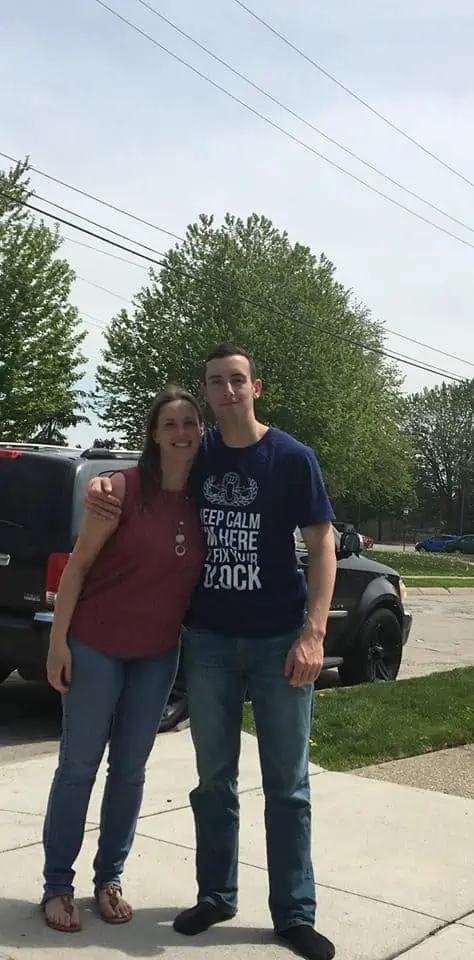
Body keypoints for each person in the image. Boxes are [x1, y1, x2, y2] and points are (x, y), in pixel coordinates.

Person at [86, 345, 337, 960]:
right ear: (206, 393)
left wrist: (314, 633)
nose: (226, 391)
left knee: (288, 785)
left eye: (237, 381)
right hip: (210, 643)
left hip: (281, 641)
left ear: (257, 387)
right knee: (213, 781)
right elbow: (145, 476)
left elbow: (324, 544)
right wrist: (104, 481)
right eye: (215, 383)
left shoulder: (291, 459)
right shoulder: (197, 455)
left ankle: (293, 912)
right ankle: (216, 895)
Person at [41, 385, 205, 934]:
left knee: (130, 771)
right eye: (170, 424)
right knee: (79, 767)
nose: (181, 432)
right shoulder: (120, 492)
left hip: (157, 655)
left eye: (190, 423)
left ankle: (108, 878)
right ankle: (56, 885)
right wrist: (57, 643)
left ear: (200, 432)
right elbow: (78, 569)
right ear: (154, 435)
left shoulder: (204, 500)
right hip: (94, 645)